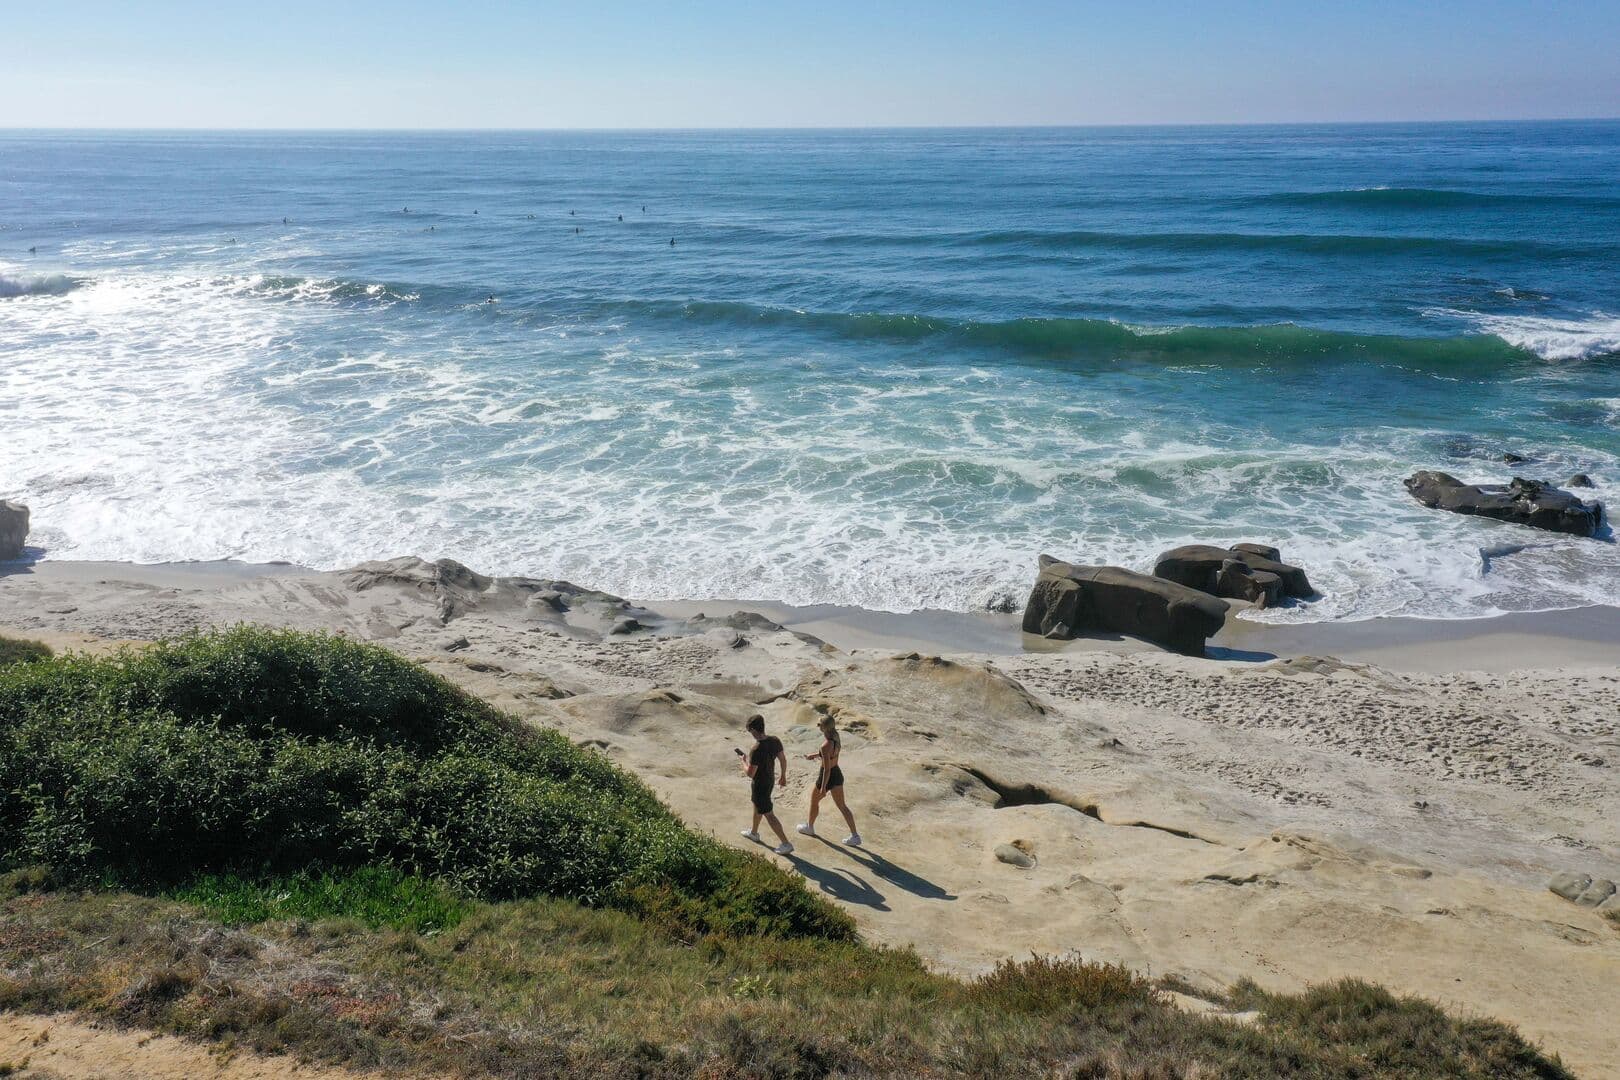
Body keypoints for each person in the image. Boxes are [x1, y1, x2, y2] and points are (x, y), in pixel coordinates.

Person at [797, 715, 861, 845]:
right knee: (843, 806)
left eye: (819, 724)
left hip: (827, 776)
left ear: (824, 727)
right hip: (837, 773)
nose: (818, 726)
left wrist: (823, 787)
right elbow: (830, 755)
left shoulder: (825, 745)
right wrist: (814, 755)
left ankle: (809, 827)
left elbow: (826, 769)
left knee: (814, 800)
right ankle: (855, 836)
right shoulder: (835, 737)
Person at [739, 714, 792, 854]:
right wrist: (783, 776)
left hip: (760, 785)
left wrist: (743, 761)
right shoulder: (774, 740)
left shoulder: (756, 749)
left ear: (753, 730)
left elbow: (750, 773)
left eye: (750, 731)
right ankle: (754, 833)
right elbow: (782, 759)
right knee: (757, 807)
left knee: (768, 813)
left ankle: (786, 843)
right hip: (770, 780)